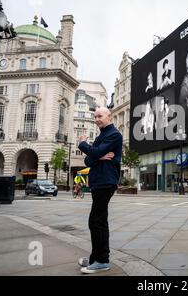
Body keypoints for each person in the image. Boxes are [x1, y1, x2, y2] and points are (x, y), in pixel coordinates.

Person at [77, 107, 123, 274]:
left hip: (106, 181)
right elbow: (89, 160)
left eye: (100, 116)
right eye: (95, 116)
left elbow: (93, 153)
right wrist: (98, 155)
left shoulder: (114, 134)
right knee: (97, 221)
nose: (97, 119)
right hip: (98, 182)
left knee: (97, 221)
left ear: (109, 117)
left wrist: (83, 144)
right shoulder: (101, 136)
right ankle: (95, 257)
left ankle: (102, 260)